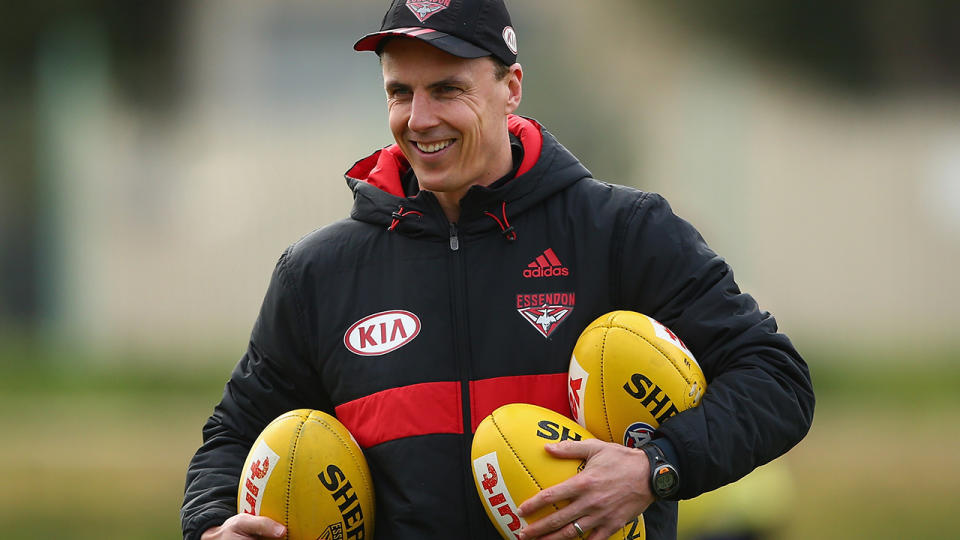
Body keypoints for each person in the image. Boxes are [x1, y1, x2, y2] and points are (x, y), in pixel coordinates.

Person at [180, 1, 815, 539]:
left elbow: (776, 379)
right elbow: (234, 434)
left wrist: (655, 465)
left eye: (447, 89)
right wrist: (213, 523)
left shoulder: (621, 231)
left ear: (511, 87)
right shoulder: (318, 273)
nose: (419, 119)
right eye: (400, 92)